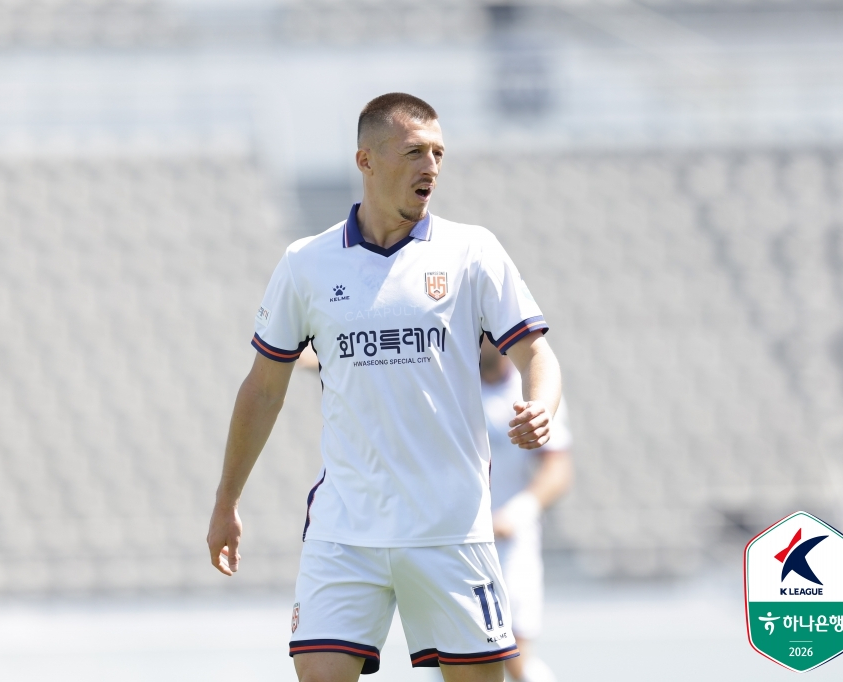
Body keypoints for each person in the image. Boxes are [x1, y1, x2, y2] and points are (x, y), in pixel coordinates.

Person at [206, 92, 562, 682]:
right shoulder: (306, 263)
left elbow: (536, 352)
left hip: (449, 529)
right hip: (347, 529)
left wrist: (542, 406)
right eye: (415, 151)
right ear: (366, 160)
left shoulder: (472, 252)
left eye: (439, 153)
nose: (431, 167)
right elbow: (263, 389)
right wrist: (226, 500)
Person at [481, 338, 572, 682]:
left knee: (514, 654)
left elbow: (558, 468)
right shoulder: (450, 389)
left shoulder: (535, 392)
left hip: (509, 543)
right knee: (455, 655)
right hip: (455, 538)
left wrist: (516, 513)